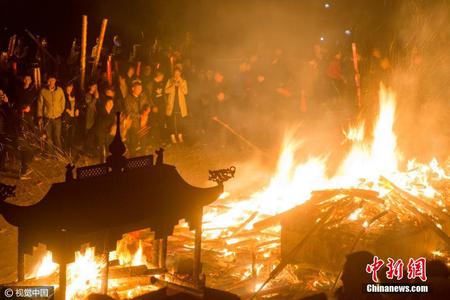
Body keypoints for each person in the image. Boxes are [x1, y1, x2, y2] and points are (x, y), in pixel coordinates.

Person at [37, 75, 65, 150]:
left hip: (57, 118)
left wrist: (60, 111)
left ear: (55, 81)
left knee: (57, 136)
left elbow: (63, 102)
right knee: (48, 137)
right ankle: (49, 155)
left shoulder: (60, 90)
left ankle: (59, 154)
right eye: (49, 80)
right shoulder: (43, 91)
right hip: (47, 118)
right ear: (47, 81)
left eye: (53, 80)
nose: (51, 82)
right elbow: (40, 105)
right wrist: (40, 116)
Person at [124, 80, 149, 153]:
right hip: (133, 123)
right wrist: (139, 116)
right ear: (133, 89)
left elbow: (147, 105)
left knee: (144, 139)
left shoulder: (143, 96)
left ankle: (144, 152)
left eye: (140, 89)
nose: (139, 90)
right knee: (133, 142)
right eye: (138, 88)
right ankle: (133, 154)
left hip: (143, 122)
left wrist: (146, 111)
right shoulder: (128, 99)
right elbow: (129, 112)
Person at [165, 68, 188, 143]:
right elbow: (166, 91)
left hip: (180, 104)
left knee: (180, 120)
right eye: (175, 73)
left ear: (180, 74)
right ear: (173, 73)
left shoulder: (183, 81)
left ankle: (180, 136)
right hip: (172, 103)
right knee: (172, 120)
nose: (177, 75)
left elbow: (185, 92)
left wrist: (180, 85)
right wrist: (173, 85)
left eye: (178, 73)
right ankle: (172, 136)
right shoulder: (170, 81)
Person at [96, 98, 115, 162]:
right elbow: (101, 123)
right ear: (105, 104)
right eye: (109, 103)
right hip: (101, 132)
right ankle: (102, 162)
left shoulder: (112, 114)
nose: (111, 105)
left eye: (112, 103)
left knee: (109, 147)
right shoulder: (102, 111)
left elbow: (112, 123)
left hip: (108, 133)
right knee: (102, 148)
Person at [62, 82, 79, 153]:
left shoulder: (75, 96)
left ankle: (71, 149)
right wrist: (66, 110)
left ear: (72, 88)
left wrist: (78, 109)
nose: (69, 89)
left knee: (72, 133)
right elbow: (61, 105)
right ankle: (65, 150)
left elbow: (77, 105)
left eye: (70, 88)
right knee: (66, 134)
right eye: (68, 88)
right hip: (66, 118)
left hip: (73, 118)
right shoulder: (63, 96)